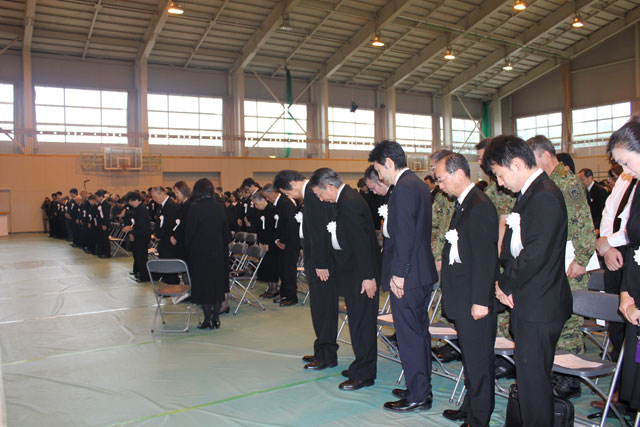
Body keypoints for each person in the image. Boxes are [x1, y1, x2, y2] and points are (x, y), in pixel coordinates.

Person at [482, 135, 572, 426]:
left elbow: (536, 253)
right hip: (529, 299)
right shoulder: (529, 193)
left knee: (533, 386)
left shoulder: (543, 194)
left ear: (518, 163)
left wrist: (505, 284)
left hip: (539, 304)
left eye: (499, 174)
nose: (499, 183)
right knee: (530, 382)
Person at [368, 140, 438, 412]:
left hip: (409, 276)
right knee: (418, 334)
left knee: (410, 336)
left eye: (378, 168)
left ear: (388, 162)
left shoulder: (405, 188)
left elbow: (405, 235)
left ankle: (418, 394)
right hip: (419, 273)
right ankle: (419, 386)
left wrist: (399, 274)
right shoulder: (416, 184)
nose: (379, 175)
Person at [527, 135, 597, 398]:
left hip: (571, 264)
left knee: (569, 322)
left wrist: (581, 259)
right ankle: (558, 372)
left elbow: (583, 223)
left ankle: (570, 380)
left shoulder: (567, 182)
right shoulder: (548, 182)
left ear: (545, 155)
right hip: (557, 262)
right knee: (557, 319)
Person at [435, 151, 498, 426]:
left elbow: (486, 258)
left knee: (479, 363)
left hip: (476, 301)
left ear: (458, 174)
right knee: (471, 360)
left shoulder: (479, 205)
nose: (439, 185)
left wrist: (481, 300)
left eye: (441, 179)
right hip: (464, 298)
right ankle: (470, 406)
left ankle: (479, 418)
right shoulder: (465, 203)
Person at [309, 168, 380, 391]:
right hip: (353, 274)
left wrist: (368, 277)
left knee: (362, 325)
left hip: (361, 276)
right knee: (357, 323)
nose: (320, 199)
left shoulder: (349, 202)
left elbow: (361, 243)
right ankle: (361, 366)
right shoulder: (344, 199)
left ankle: (365, 373)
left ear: (330, 187)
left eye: (320, 194)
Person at [274, 170, 336, 370]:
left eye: (286, 192)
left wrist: (320, 263)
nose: (288, 196)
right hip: (316, 260)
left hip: (321, 263)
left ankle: (326, 355)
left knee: (323, 309)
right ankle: (322, 350)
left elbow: (319, 231)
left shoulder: (312, 193)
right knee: (319, 309)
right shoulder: (310, 193)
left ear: (292, 183)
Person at [606, 117, 640, 414]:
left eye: (627, 163)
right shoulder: (639, 187)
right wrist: (627, 293)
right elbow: (634, 244)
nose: (624, 172)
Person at [186, 178, 231, 329]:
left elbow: (190, 233)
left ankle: (207, 319)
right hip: (218, 252)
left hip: (200, 253)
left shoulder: (194, 208)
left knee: (204, 286)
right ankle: (216, 318)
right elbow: (226, 232)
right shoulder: (220, 207)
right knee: (216, 285)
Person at [263, 183, 300, 306]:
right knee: (282, 270)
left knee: (289, 271)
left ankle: (291, 297)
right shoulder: (279, 203)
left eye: (267, 196)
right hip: (282, 241)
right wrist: (278, 239)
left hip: (290, 242)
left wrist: (283, 241)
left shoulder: (285, 203)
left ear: (273, 193)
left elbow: (290, 224)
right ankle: (284, 294)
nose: (267, 200)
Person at [250, 190, 279, 297]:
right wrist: (259, 242)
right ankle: (269, 288)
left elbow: (271, 229)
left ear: (262, 200)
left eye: (257, 204)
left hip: (270, 243)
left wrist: (266, 243)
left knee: (272, 267)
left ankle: (274, 289)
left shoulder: (271, 210)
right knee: (266, 266)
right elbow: (259, 229)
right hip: (263, 242)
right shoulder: (261, 211)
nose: (256, 207)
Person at [151, 187, 180, 284]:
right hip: (163, 240)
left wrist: (160, 234)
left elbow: (170, 224)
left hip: (169, 239)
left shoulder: (171, 206)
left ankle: (172, 284)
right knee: (164, 260)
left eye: (155, 197)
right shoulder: (161, 206)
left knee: (170, 262)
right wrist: (156, 233)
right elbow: (158, 222)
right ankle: (167, 282)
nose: (154, 200)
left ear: (162, 194)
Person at [122, 191, 151, 283]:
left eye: (131, 201)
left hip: (142, 236)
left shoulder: (142, 209)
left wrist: (130, 228)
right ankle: (138, 272)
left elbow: (140, 224)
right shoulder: (136, 209)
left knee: (142, 257)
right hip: (137, 235)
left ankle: (144, 277)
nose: (130, 203)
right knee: (137, 255)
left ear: (137, 200)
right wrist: (131, 230)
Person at [170, 181, 191, 262]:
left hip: (185, 240)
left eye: (177, 192)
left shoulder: (190, 206)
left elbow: (184, 224)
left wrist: (176, 237)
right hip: (180, 239)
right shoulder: (181, 205)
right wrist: (173, 235)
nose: (176, 195)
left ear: (183, 191)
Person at [95, 189, 111, 258]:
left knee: (105, 239)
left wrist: (105, 224)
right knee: (100, 238)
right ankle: (101, 252)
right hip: (100, 224)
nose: (96, 198)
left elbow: (106, 215)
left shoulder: (106, 204)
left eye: (96, 197)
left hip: (104, 224)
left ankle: (107, 253)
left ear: (100, 196)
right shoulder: (100, 204)